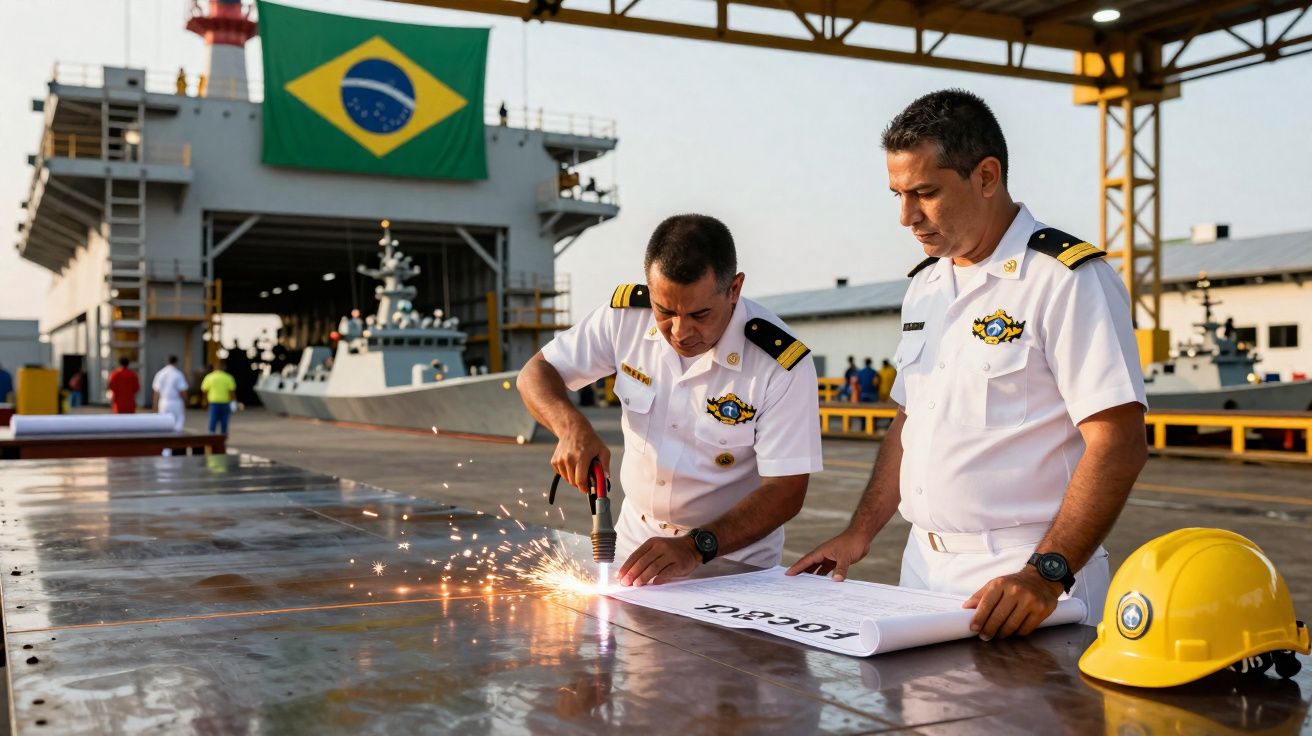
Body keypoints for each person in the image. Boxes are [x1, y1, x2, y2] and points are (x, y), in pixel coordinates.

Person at [788, 89, 1148, 642]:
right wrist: (859, 533)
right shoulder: (926, 287)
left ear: (986, 176)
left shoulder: (1064, 279)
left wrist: (1047, 572)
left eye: (925, 193)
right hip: (921, 569)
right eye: (898, 195)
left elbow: (1117, 441)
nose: (907, 216)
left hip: (1024, 577)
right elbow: (911, 425)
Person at [518, 214, 823, 586]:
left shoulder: (779, 363)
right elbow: (536, 373)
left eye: (699, 315)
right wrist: (570, 427)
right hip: (634, 543)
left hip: (731, 561)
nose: (679, 332)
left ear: (734, 289)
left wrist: (696, 547)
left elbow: (786, 490)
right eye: (665, 311)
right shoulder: (624, 318)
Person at [152, 355, 189, 432]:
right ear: (176, 362)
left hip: (163, 401)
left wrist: (155, 404)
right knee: (178, 423)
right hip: (175, 401)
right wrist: (186, 402)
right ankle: (176, 441)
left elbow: (156, 391)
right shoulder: (178, 374)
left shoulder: (160, 373)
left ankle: (165, 441)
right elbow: (183, 390)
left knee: (163, 423)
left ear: (167, 362)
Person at [201, 361, 238, 435]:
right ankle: (223, 436)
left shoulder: (209, 377)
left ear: (215, 368)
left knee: (213, 420)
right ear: (224, 368)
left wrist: (204, 400)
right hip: (225, 402)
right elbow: (232, 392)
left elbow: (204, 390)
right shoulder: (228, 377)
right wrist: (234, 402)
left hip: (213, 402)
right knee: (224, 420)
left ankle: (211, 436)